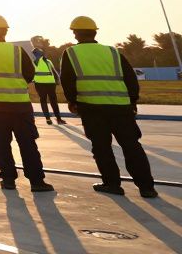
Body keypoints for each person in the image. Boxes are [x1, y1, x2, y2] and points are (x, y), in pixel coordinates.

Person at [61, 16, 157, 198]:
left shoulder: (71, 53)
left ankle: (112, 184)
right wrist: (132, 101)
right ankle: (147, 187)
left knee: (101, 147)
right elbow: (130, 78)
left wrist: (72, 101)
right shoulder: (112, 52)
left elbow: (67, 80)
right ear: (94, 32)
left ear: (76, 33)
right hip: (121, 107)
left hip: (91, 108)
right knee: (132, 146)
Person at [0, 14, 54, 193]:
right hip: (20, 105)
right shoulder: (17, 51)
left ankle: (8, 179)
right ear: (6, 30)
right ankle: (37, 182)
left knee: (1, 143)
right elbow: (30, 74)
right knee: (28, 143)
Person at [31, 48, 65, 125]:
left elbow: (31, 73)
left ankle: (48, 119)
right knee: (53, 101)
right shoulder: (47, 61)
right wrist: (58, 80)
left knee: (43, 100)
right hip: (50, 83)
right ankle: (58, 119)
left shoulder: (34, 62)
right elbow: (54, 72)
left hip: (40, 84)